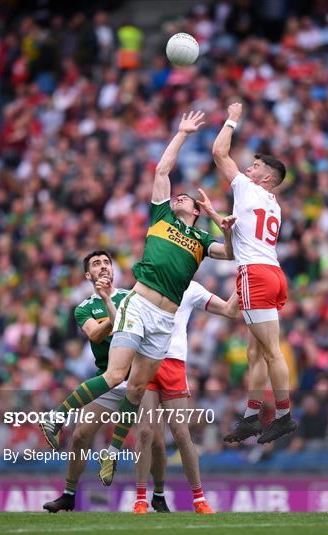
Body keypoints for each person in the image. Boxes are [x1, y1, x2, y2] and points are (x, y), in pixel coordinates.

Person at [39, 111, 234, 488]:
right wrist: (180, 133)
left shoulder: (201, 239)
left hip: (165, 320)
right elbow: (162, 171)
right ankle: (56, 416)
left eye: (188, 199)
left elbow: (228, 253)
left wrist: (220, 223)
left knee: (134, 388)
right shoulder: (161, 217)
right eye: (179, 194)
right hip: (139, 304)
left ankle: (112, 451)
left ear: (196, 211)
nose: (180, 195)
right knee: (114, 375)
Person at [43, 250, 170, 512]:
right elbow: (95, 334)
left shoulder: (132, 297)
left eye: (106, 263)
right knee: (79, 435)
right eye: (96, 264)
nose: (103, 267)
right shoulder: (84, 307)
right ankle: (68, 495)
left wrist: (113, 307)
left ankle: (157, 496)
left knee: (153, 438)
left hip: (138, 377)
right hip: (108, 380)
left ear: (113, 270)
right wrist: (109, 308)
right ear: (88, 275)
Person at [210, 103, 297, 444]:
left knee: (271, 351)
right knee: (255, 351)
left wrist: (231, 117)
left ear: (267, 179)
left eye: (256, 166)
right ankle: (251, 416)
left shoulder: (248, 189)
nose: (248, 168)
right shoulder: (273, 202)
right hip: (273, 272)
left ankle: (285, 415)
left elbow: (219, 151)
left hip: (256, 275)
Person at [133, 279, 239, 514]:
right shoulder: (145, 282)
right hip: (145, 361)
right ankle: (140, 499)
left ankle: (199, 499)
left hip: (173, 363)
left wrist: (245, 280)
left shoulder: (190, 287)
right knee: (144, 431)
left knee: (181, 433)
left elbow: (229, 310)